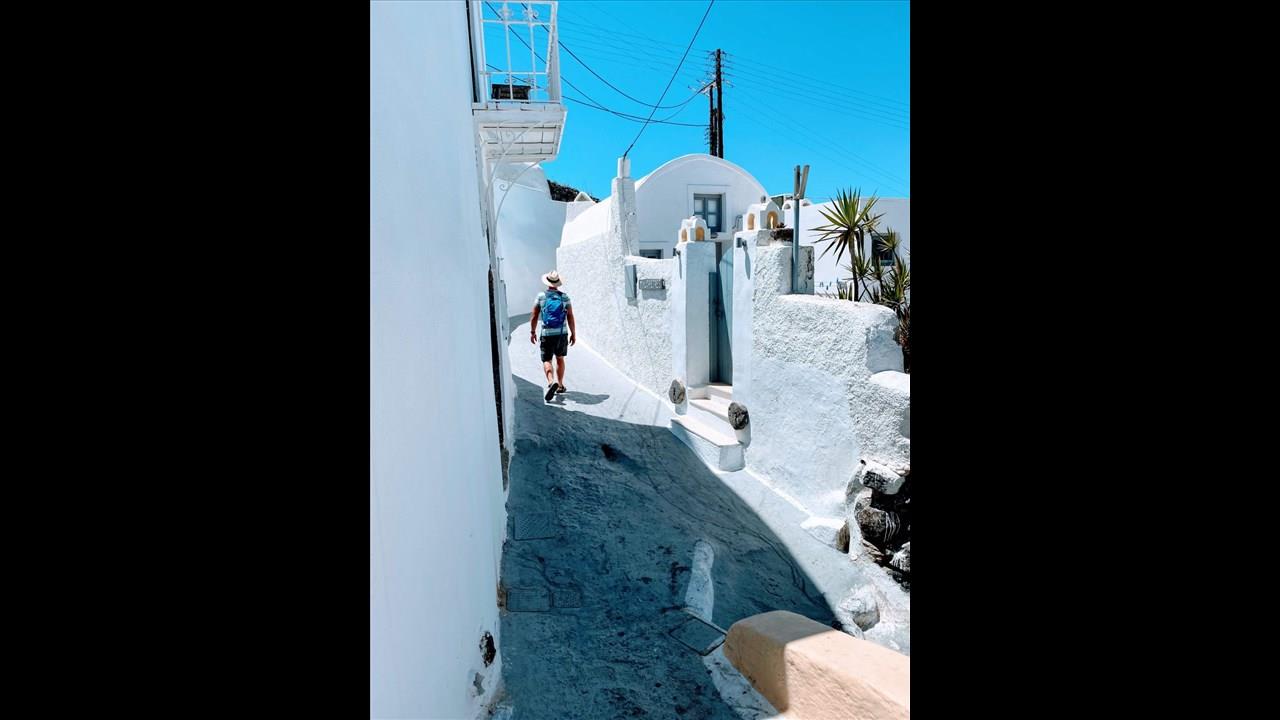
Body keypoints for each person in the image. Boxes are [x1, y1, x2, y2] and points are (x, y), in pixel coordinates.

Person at [530, 270, 576, 402]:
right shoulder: (564, 297)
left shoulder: (541, 296)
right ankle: (560, 385)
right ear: (557, 283)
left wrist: (532, 332)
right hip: (561, 333)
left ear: (547, 282)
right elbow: (570, 316)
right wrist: (573, 333)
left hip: (547, 333)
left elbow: (534, 316)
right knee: (560, 358)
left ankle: (551, 382)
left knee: (547, 360)